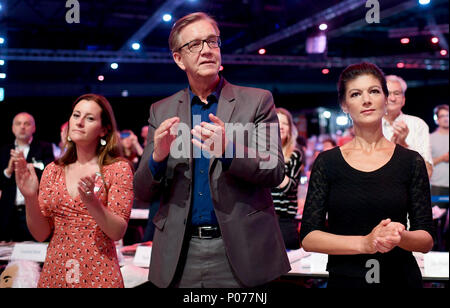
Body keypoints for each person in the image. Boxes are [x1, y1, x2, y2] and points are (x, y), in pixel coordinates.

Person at [134, 12, 290, 288]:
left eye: (212, 41)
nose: (206, 50)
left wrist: (228, 149)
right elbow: (142, 192)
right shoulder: (162, 111)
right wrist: (157, 157)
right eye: (194, 44)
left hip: (242, 249)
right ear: (178, 58)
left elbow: (274, 169)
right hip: (180, 253)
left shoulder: (256, 101)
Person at [300, 62, 434, 288]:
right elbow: (309, 237)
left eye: (374, 91)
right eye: (355, 94)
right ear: (344, 105)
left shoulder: (411, 161)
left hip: (400, 279)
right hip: (346, 280)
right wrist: (365, 243)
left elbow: (426, 239)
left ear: (385, 99)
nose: (366, 100)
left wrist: (399, 237)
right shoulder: (327, 162)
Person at [14, 94, 134, 288]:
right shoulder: (53, 170)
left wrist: (93, 203)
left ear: (104, 129)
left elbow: (117, 231)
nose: (79, 122)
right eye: (76, 115)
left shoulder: (117, 169)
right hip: (57, 271)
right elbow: (41, 234)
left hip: (99, 274)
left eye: (90, 118)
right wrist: (29, 196)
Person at [0, 112, 54, 242]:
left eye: (27, 123)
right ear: (13, 128)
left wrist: (26, 165)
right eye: (19, 124)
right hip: (9, 212)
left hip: (33, 211)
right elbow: (2, 182)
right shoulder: (4, 150)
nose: (22, 127)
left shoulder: (44, 148)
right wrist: (8, 170)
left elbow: (48, 176)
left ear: (34, 128)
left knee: (36, 251)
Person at [382, 75, 433, 177]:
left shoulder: (418, 124)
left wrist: (403, 145)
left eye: (397, 93)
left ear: (404, 100)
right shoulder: (370, 125)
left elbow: (428, 172)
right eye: (387, 93)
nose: (392, 98)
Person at [272, 108, 303, 250]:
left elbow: (287, 187)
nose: (281, 127)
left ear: (290, 128)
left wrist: (269, 164)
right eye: (277, 123)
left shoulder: (294, 154)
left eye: (285, 123)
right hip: (262, 220)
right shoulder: (259, 152)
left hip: (284, 221)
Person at [430, 104, 449, 251]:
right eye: (442, 116)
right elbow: (426, 162)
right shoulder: (430, 138)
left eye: (448, 115)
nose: (446, 119)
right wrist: (442, 158)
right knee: (436, 225)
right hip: (437, 186)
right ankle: (437, 253)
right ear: (437, 119)